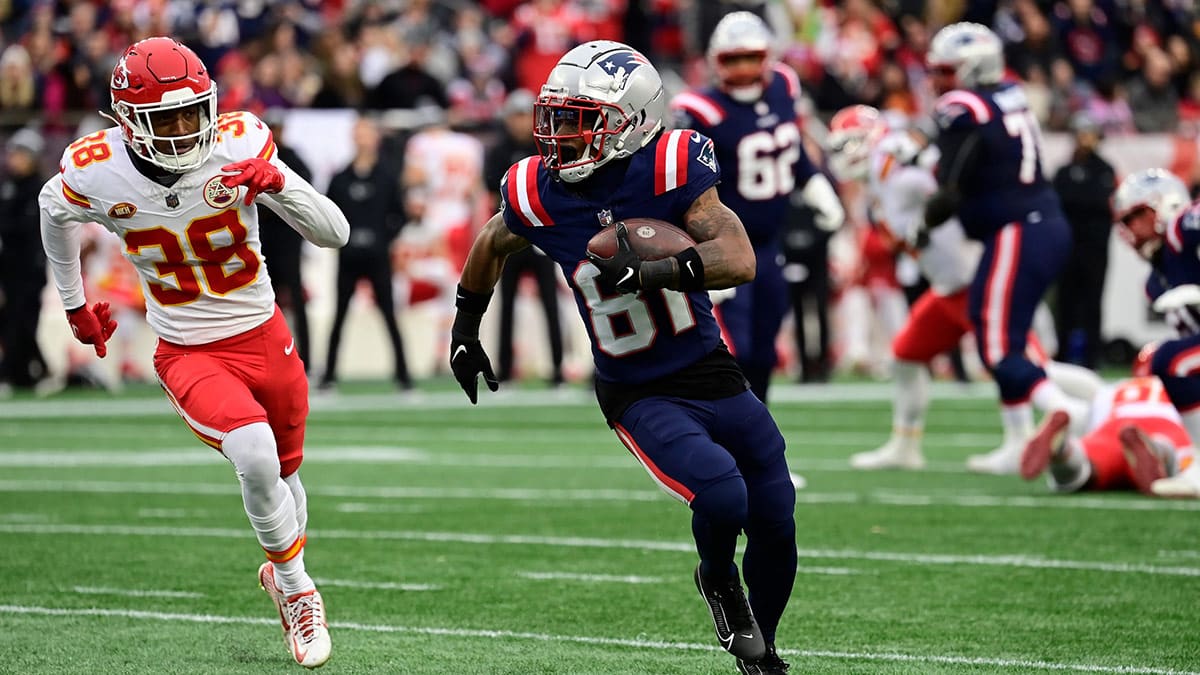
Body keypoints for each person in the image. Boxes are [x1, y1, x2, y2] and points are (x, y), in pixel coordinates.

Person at [450, 41, 797, 675]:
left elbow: (738, 258)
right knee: (722, 496)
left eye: (580, 120)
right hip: (638, 389)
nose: (560, 136)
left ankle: (765, 649)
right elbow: (492, 241)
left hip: (710, 367)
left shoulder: (670, 165)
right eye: (555, 117)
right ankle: (718, 579)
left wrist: (662, 269)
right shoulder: (536, 189)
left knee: (776, 514)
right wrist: (465, 327)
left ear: (632, 121)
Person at [39, 37, 348, 668]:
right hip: (188, 348)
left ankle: (284, 573)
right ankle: (297, 590)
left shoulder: (239, 142)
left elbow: (334, 233)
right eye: (166, 119)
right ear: (128, 120)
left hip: (264, 332)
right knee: (256, 456)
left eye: (192, 112)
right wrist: (73, 303)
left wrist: (279, 181)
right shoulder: (97, 169)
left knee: (287, 478)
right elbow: (54, 212)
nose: (185, 131)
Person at [920, 23, 1089, 475]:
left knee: (997, 347)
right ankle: (1021, 438)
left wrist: (922, 227)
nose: (936, 80)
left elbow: (948, 190)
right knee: (1007, 338)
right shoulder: (1010, 94)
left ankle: (1066, 408)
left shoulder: (964, 106)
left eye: (944, 70)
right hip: (1040, 224)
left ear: (971, 68)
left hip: (1020, 229)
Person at [671, 11, 844, 403]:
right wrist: (701, 253)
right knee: (738, 349)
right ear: (717, 60)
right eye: (734, 59)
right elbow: (683, 188)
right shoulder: (700, 110)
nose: (745, 67)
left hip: (770, 243)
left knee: (766, 349)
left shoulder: (783, 85)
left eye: (751, 57)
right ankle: (725, 440)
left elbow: (794, 148)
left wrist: (816, 185)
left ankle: (757, 436)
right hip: (727, 245)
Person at [1108, 168, 1200, 497]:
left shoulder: (1184, 228)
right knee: (1159, 364)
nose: (1131, 228)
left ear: (1166, 205)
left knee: (1174, 361)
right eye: (1126, 220)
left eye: (1137, 216)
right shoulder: (1155, 281)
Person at [319, 115, 412, 392]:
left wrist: (384, 239)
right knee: (339, 316)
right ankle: (329, 376)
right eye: (357, 133)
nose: (362, 138)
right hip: (348, 258)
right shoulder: (340, 178)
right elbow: (327, 214)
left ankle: (404, 377)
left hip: (377, 257)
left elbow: (401, 214)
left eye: (366, 133)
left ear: (375, 138)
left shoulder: (387, 176)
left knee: (389, 315)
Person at [1020, 349, 1194, 495]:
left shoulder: (1116, 388)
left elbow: (1093, 419)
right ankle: (1159, 451)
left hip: (1114, 425)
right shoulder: (1178, 384)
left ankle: (1064, 451)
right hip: (1164, 424)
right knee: (1180, 460)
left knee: (1083, 471)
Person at [484, 89, 565, 386]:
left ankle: (558, 368)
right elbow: (491, 197)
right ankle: (505, 370)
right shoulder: (498, 151)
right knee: (505, 304)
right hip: (511, 236)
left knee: (550, 303)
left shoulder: (545, 147)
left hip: (542, 237)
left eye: (523, 116)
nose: (519, 122)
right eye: (514, 116)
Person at [1052, 112, 1116, 369]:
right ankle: (1064, 356)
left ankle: (1092, 359)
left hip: (1094, 248)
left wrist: (1077, 202)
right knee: (1065, 302)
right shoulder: (1063, 172)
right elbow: (1059, 202)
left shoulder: (1105, 170)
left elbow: (1099, 202)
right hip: (1067, 246)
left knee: (1093, 302)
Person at [258, 111, 314, 370]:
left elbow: (305, 191)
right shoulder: (258, 156)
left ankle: (307, 360)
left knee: (296, 301)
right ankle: (274, 359)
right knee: (268, 305)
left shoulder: (291, 158)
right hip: (265, 241)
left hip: (288, 240)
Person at [0, 127, 49, 391]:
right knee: (11, 320)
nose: (13, 159)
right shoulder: (8, 186)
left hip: (30, 268)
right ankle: (29, 372)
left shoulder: (39, 189)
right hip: (8, 266)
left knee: (23, 320)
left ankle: (15, 372)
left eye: (19, 154)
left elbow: (31, 232)